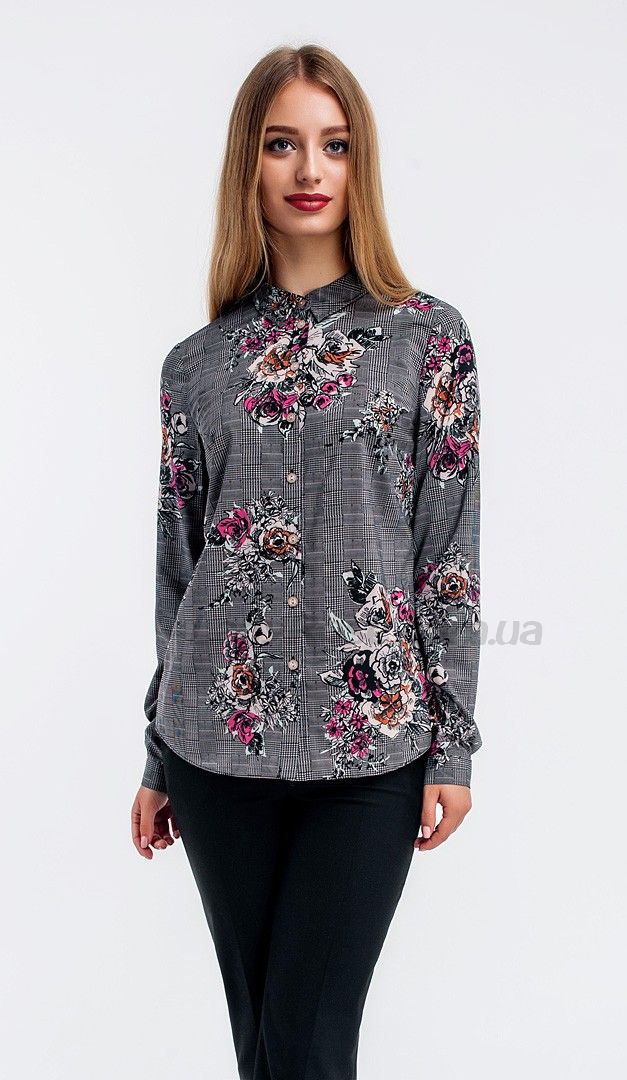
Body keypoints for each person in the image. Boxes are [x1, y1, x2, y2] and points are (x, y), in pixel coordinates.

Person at [130, 42, 483, 1080]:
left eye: (334, 144)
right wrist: (155, 757)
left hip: (370, 754)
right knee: (263, 1048)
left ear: (359, 163)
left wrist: (453, 746)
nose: (309, 169)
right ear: (249, 162)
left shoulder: (428, 341)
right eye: (282, 143)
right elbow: (178, 566)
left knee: (309, 1045)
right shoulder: (195, 366)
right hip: (211, 752)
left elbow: (448, 554)